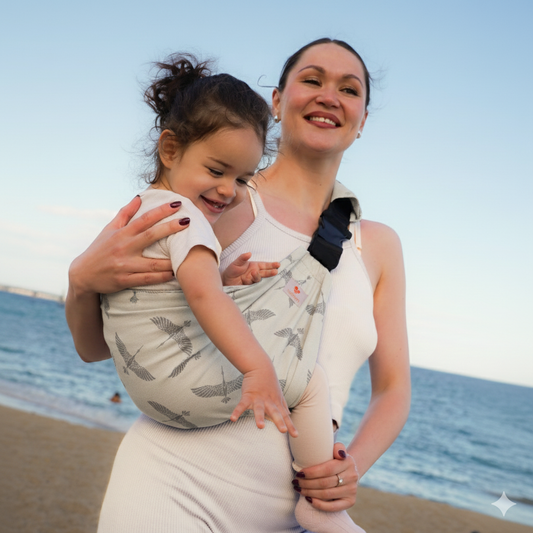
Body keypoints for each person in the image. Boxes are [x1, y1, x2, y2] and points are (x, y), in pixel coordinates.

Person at [66, 38, 411, 532]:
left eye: (349, 89)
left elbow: (394, 389)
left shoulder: (376, 246)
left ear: (362, 121)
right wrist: (80, 282)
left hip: (292, 518)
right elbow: (99, 344)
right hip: (172, 487)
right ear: (276, 101)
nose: (329, 96)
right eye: (311, 80)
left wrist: (349, 466)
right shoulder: (214, 199)